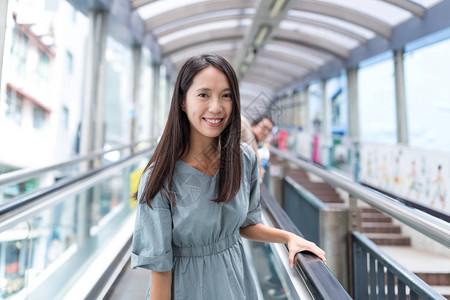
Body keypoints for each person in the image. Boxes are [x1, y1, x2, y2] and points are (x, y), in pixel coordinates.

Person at [131, 54, 326, 300]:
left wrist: (288, 237)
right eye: (203, 95)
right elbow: (160, 274)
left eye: (226, 95)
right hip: (187, 290)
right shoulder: (160, 179)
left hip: (237, 284)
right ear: (182, 101)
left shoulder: (243, 158)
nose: (216, 107)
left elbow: (245, 225)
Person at [241, 115, 274, 180]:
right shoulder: (247, 136)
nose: (266, 132)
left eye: (269, 131)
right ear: (253, 126)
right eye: (264, 128)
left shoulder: (254, 143)